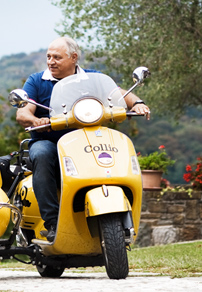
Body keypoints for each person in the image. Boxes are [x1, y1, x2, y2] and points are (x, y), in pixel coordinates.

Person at [15, 37, 150, 242]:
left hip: (86, 141)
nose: (51, 62)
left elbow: (118, 93)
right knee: (41, 154)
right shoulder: (36, 80)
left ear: (74, 58)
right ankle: (52, 223)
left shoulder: (92, 78)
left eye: (57, 57)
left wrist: (137, 103)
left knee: (114, 149)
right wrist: (35, 120)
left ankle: (116, 212)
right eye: (49, 57)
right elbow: (22, 114)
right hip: (49, 140)